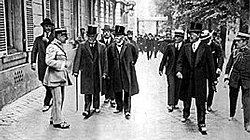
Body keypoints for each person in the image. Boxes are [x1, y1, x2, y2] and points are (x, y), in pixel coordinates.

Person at [176, 22, 216, 134]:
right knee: (186, 98)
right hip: (187, 78)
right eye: (190, 34)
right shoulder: (186, 47)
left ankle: (202, 123)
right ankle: (185, 114)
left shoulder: (206, 48)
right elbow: (180, 61)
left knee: (200, 101)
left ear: (198, 34)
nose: (190, 36)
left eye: (192, 34)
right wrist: (179, 71)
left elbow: (211, 65)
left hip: (200, 79)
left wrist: (213, 79)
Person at [73, 25, 108, 118]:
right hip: (86, 72)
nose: (90, 38)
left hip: (97, 71)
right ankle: (87, 108)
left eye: (92, 36)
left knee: (96, 89)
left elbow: (105, 60)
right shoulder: (82, 46)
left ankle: (96, 106)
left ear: (96, 36)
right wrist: (76, 70)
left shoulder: (102, 46)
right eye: (89, 36)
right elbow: (78, 58)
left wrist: (105, 72)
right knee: (87, 91)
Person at [107, 25, 139, 119]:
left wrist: (131, 64)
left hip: (126, 71)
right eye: (115, 36)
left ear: (123, 36)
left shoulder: (130, 46)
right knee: (117, 89)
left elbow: (135, 54)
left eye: (118, 36)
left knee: (127, 90)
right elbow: (108, 59)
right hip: (115, 71)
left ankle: (127, 110)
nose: (116, 38)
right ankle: (119, 106)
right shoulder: (111, 47)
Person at [43, 28, 72, 129]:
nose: (66, 38)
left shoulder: (59, 46)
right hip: (53, 78)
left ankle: (53, 117)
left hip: (60, 77)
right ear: (59, 36)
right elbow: (48, 61)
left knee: (59, 99)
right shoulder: (52, 47)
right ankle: (58, 121)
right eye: (64, 36)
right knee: (57, 100)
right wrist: (63, 64)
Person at [224, 32, 250, 132]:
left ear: (245, 42)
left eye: (239, 41)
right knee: (232, 97)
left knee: (247, 102)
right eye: (236, 41)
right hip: (234, 78)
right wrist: (226, 76)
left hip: (247, 80)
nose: (237, 43)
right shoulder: (234, 52)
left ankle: (247, 123)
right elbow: (229, 65)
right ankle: (232, 114)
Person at [31, 18, 54, 112]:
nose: (47, 28)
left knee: (50, 82)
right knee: (44, 82)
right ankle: (52, 96)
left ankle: (46, 102)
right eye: (46, 26)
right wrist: (33, 62)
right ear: (43, 27)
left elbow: (56, 48)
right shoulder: (38, 39)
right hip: (42, 66)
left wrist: (48, 41)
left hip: (52, 66)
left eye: (49, 26)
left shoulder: (54, 39)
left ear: (52, 27)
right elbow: (34, 51)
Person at [159, 29, 185, 112]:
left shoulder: (185, 46)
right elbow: (164, 57)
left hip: (180, 71)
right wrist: (161, 68)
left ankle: (175, 103)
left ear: (182, 38)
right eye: (175, 36)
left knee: (178, 86)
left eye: (178, 37)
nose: (176, 38)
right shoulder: (170, 46)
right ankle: (170, 104)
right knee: (171, 85)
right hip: (170, 69)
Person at [200, 30, 224, 112]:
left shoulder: (216, 46)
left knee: (211, 87)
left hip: (212, 70)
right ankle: (202, 104)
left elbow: (220, 57)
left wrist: (219, 68)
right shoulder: (200, 45)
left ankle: (209, 105)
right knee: (201, 88)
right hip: (202, 69)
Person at [99, 24, 116, 107]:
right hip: (103, 64)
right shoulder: (100, 42)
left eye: (108, 32)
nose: (106, 33)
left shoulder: (114, 42)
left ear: (110, 33)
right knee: (105, 81)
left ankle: (113, 98)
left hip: (112, 64)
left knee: (112, 81)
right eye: (105, 32)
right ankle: (106, 96)